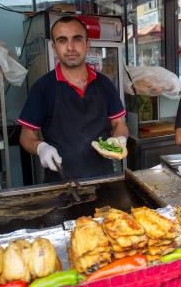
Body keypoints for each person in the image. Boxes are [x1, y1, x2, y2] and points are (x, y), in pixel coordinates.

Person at [18, 16, 129, 182]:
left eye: (77, 39)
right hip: (60, 183)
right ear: (54, 47)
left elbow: (119, 124)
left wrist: (119, 139)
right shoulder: (42, 88)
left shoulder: (104, 84)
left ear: (87, 44)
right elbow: (26, 135)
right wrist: (41, 147)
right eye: (62, 40)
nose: (70, 47)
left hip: (105, 181)